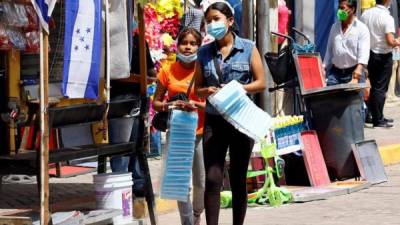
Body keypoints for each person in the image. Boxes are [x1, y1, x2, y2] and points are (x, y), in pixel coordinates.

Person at [194, 2, 266, 225]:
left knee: (237, 178)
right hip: (214, 122)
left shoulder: (248, 48)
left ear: (230, 21)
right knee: (213, 178)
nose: (212, 24)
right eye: (208, 21)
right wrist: (206, 91)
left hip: (240, 121)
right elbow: (197, 88)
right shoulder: (204, 52)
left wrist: (238, 88)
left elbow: (261, 82)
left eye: (216, 19)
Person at [153, 28, 205, 225]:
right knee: (181, 182)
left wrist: (196, 105)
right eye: (185, 43)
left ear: (198, 47)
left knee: (200, 182)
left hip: (200, 131)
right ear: (178, 45)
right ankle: (187, 222)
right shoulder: (167, 70)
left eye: (193, 43)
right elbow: (155, 103)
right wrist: (168, 105)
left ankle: (197, 214)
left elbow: (213, 100)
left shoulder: (204, 69)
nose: (188, 47)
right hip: (177, 132)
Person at [361, 0, 400, 127]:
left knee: (372, 87)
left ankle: (371, 115)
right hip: (383, 56)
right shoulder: (387, 17)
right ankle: (378, 119)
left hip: (368, 54)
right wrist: (397, 42)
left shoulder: (365, 14)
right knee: (380, 89)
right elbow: (390, 41)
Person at [324, 0, 370, 86]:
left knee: (354, 99)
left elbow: (364, 53)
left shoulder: (361, 28)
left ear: (352, 10)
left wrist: (358, 70)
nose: (339, 11)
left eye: (342, 8)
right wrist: (323, 68)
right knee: (331, 99)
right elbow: (329, 51)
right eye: (338, 8)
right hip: (335, 75)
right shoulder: (334, 27)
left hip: (353, 73)